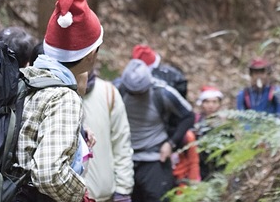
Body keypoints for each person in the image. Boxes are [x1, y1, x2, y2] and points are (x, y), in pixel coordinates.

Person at [16, 0, 104, 202]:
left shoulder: (26, 77)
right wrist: (80, 194)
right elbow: (48, 173)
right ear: (91, 56)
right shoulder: (64, 97)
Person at [118, 59, 194, 202]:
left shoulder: (163, 93)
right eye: (133, 93)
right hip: (126, 158)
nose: (137, 95)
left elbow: (188, 116)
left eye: (141, 92)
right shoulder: (117, 92)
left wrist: (171, 143)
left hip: (155, 157)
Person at [82, 69, 134, 202]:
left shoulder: (108, 92)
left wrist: (123, 190)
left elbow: (121, 143)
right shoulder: (56, 93)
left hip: (104, 196)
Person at [194, 85, 224, 180]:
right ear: (202, 103)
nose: (211, 105)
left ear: (219, 104)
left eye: (214, 102)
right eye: (207, 102)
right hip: (200, 162)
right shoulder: (196, 121)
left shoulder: (225, 122)